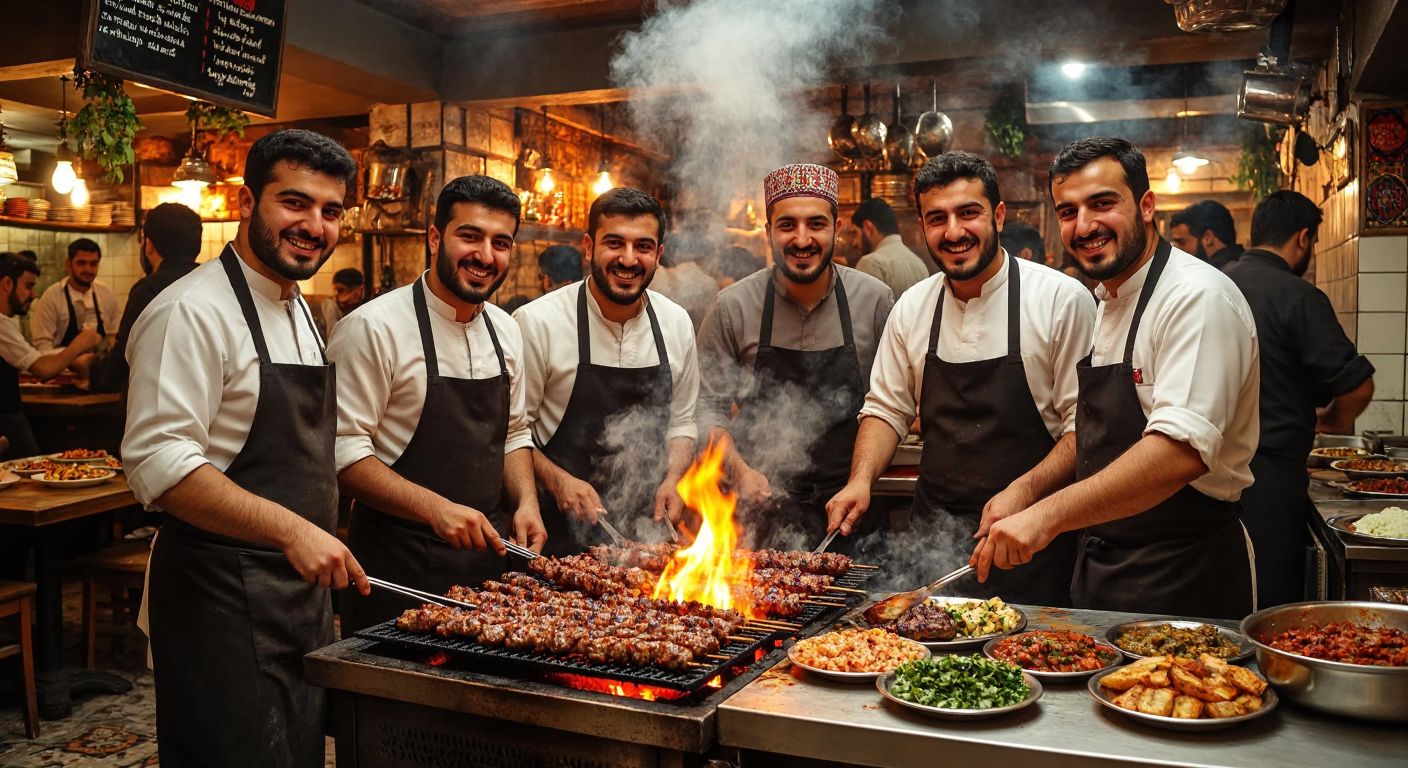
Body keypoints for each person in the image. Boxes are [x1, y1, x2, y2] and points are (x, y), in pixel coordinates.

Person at [123, 129, 368, 767]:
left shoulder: (301, 311)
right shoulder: (191, 312)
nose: (313, 225)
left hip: (295, 597)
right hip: (219, 602)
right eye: (294, 203)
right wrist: (292, 529)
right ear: (246, 199)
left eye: (331, 210)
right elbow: (162, 465)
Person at [971, 137, 1259, 620]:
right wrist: (1026, 490)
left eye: (1103, 204)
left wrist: (1046, 516)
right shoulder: (1108, 298)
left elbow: (1177, 453)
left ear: (1146, 206)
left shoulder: (1196, 298)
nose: (1084, 226)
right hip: (1105, 567)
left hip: (1184, 574)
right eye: (1068, 211)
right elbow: (1098, 430)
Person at [828, 152, 1095, 603]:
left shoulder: (1060, 300)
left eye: (968, 213)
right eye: (938, 218)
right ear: (921, 226)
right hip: (933, 539)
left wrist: (1024, 490)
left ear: (998, 215)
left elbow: (1085, 428)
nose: (953, 232)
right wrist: (861, 479)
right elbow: (886, 409)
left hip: (1034, 539)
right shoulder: (912, 308)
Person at [333, 175, 546, 631]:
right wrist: (435, 509)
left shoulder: (506, 329)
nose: (485, 256)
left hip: (485, 578)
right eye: (469, 236)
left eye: (500, 242)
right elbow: (342, 454)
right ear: (435, 237)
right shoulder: (373, 328)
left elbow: (513, 433)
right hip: (395, 577)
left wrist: (526, 501)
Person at [696, 163, 893, 551]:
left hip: (853, 513)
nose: (802, 239)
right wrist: (740, 471)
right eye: (787, 225)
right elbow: (707, 409)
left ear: (837, 229)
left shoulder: (875, 300)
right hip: (759, 514)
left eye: (816, 224)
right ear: (768, 231)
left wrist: (862, 480)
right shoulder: (732, 307)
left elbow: (891, 404)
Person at [515, 187, 699, 552]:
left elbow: (682, 420)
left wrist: (675, 478)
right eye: (614, 243)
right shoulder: (538, 322)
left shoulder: (676, 323)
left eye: (643, 247)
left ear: (658, 255)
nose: (629, 259)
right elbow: (512, 433)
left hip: (648, 537)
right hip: (556, 537)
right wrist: (558, 481)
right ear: (588, 247)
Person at [1226, 191, 1374, 607]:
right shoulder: (1298, 295)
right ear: (1304, 238)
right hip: (1270, 481)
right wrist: (1328, 420)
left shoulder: (1213, 283)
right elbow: (1357, 385)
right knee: (1272, 602)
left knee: (1222, 599)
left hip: (1205, 479)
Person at [90, 203, 203, 393]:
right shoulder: (216, 283)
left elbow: (124, 358)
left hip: (161, 405)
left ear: (149, 245)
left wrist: (91, 369)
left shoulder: (148, 290)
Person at [0, 252, 100, 458]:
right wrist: (79, 345)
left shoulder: (7, 319)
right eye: (28, 286)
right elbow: (43, 370)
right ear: (7, 284)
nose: (34, 294)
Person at [29, 237, 120, 352]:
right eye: (81, 263)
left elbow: (113, 337)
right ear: (68, 264)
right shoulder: (51, 297)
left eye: (93, 264)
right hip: (62, 368)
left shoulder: (106, 295)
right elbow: (42, 345)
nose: (88, 269)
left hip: (101, 367)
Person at [850, 198, 928, 298]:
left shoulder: (870, 263)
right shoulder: (919, 263)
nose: (854, 243)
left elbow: (864, 312)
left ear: (868, 227)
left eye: (855, 233)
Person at [1169, 199, 1243, 270]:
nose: (1177, 251)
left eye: (1182, 243)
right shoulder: (1248, 264)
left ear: (1208, 238)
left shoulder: (1210, 278)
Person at [318, 267, 365, 337]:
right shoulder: (330, 306)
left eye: (341, 290)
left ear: (358, 291)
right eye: (335, 290)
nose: (336, 294)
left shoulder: (364, 308)